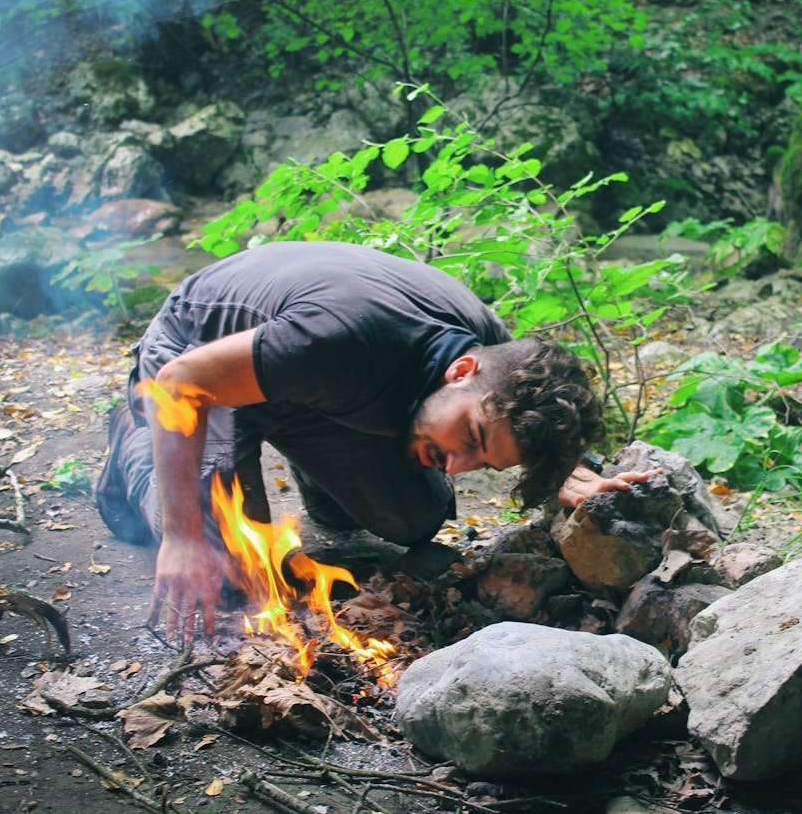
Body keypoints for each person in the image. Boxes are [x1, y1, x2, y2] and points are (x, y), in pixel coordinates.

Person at [95, 241, 645, 643]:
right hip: (200, 361)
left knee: (413, 519)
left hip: (307, 385)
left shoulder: (500, 369)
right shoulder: (339, 339)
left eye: (484, 462)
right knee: (231, 570)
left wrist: (569, 472)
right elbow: (182, 385)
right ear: (460, 370)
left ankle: (311, 460)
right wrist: (182, 535)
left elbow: (530, 419)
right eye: (471, 438)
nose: (456, 466)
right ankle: (134, 444)